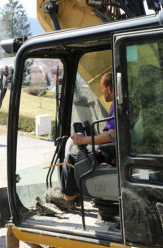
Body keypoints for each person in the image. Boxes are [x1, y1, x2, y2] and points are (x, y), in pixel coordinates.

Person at [46, 72, 115, 209]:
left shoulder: (117, 106)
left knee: (72, 156)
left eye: (102, 88)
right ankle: (76, 195)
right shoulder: (119, 104)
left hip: (113, 152)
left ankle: (68, 197)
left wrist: (83, 140)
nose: (101, 92)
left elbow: (111, 136)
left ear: (110, 89)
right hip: (114, 149)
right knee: (84, 152)